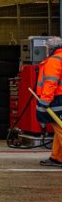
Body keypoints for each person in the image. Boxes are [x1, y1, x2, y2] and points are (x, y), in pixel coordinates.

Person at [35, 36, 62, 167]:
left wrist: (45, 101)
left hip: (57, 99)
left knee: (60, 128)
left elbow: (51, 82)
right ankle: (57, 157)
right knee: (58, 129)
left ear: (51, 48)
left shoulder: (54, 61)